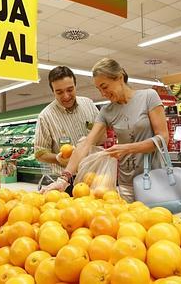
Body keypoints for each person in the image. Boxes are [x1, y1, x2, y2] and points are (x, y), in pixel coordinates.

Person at [42, 58, 169, 203]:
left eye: (105, 86)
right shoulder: (107, 111)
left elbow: (163, 138)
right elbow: (87, 143)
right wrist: (64, 179)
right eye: (99, 89)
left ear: (119, 78)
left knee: (159, 222)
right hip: (126, 183)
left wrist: (127, 148)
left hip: (153, 178)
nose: (103, 93)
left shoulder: (148, 97)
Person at [34, 66, 99, 170]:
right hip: (66, 179)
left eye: (70, 90)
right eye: (59, 92)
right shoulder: (45, 117)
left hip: (94, 172)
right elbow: (39, 153)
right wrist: (58, 158)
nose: (66, 96)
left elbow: (101, 133)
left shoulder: (89, 104)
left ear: (75, 86)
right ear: (53, 92)